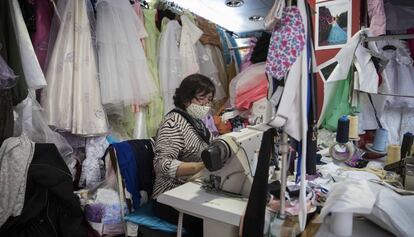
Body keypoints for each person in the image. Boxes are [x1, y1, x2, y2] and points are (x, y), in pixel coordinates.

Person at [152, 73, 215, 237]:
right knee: (211, 221)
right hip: (169, 197)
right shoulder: (173, 123)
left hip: (191, 189)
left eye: (209, 100)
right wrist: (199, 166)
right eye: (202, 99)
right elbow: (161, 164)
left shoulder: (197, 122)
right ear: (186, 98)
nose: (207, 104)